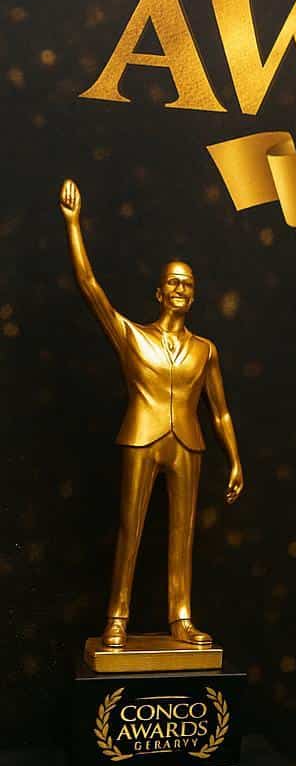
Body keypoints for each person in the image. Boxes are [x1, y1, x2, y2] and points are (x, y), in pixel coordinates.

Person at [60, 179, 244, 649]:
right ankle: (116, 617)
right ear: (159, 292)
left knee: (183, 534)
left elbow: (221, 412)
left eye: (188, 283)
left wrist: (235, 459)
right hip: (141, 437)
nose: (180, 288)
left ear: (193, 296)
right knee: (131, 528)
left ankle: (181, 618)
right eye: (173, 282)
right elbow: (90, 286)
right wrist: (74, 224)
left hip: (189, 444)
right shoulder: (132, 336)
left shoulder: (206, 350)